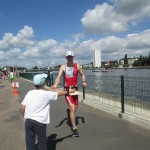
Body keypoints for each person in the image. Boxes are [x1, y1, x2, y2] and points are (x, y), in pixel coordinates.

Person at [21, 73, 75, 150]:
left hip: (28, 120)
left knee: (29, 141)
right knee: (42, 142)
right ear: (43, 84)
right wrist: (70, 91)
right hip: (40, 121)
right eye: (44, 81)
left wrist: (24, 118)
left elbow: (23, 107)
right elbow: (59, 93)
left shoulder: (30, 93)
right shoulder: (46, 94)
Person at [50, 51, 87, 137]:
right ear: (66, 58)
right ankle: (74, 127)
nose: (69, 58)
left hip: (75, 90)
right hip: (67, 90)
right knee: (72, 107)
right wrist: (55, 85)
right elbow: (59, 77)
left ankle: (71, 113)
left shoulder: (77, 66)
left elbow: (83, 74)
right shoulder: (63, 67)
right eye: (68, 57)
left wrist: (84, 81)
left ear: (73, 57)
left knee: (75, 109)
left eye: (71, 57)